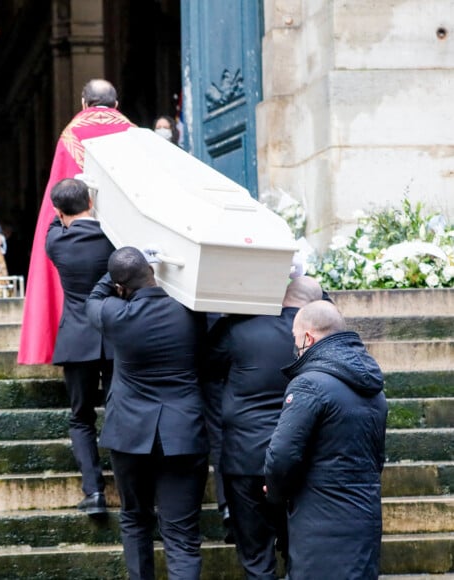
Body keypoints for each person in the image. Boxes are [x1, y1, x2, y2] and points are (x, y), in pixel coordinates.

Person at [86, 247, 209, 580]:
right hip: (183, 432)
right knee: (182, 536)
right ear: (152, 273)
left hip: (129, 433)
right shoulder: (193, 313)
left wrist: (118, 268)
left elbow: (93, 299)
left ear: (121, 287)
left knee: (135, 519)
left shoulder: (115, 314)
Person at [206, 276, 323, 579]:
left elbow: (206, 365)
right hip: (299, 458)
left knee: (255, 555)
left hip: (244, 457)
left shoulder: (239, 328)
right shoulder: (317, 337)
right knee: (299, 548)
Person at [264, 300, 388, 580]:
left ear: (308, 337)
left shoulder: (309, 384)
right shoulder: (373, 388)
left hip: (318, 523)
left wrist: (274, 493)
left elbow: (282, 456)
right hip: (364, 518)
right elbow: (377, 458)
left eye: (295, 338)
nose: (294, 346)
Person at [18, 79, 134, 364]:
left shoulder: (71, 134)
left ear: (84, 103)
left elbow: (60, 192)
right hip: (124, 237)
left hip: (79, 237)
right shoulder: (133, 134)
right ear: (116, 104)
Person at [46, 177, 115, 516]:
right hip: (116, 336)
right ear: (91, 201)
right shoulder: (115, 238)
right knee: (120, 412)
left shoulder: (55, 241)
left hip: (77, 338)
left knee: (81, 417)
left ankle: (94, 492)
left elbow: (51, 220)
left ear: (59, 211)